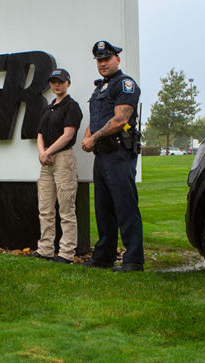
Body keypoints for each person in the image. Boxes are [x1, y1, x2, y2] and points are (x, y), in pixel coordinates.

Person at [80, 40, 143, 272]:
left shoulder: (125, 84)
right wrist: (89, 137)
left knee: (125, 206)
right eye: (99, 60)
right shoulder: (99, 89)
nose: (103, 63)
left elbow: (120, 119)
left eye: (106, 59)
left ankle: (133, 259)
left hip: (119, 153)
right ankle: (104, 257)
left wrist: (93, 138)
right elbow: (95, 119)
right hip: (102, 154)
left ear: (117, 59)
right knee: (103, 208)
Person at [31, 68, 83, 264]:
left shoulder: (72, 106)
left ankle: (66, 253)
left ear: (68, 83)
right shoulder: (48, 107)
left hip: (63, 159)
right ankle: (45, 249)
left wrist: (48, 152)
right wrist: (42, 153)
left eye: (60, 81)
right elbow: (40, 133)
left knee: (66, 209)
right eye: (53, 81)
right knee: (45, 208)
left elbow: (68, 135)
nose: (57, 85)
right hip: (47, 161)